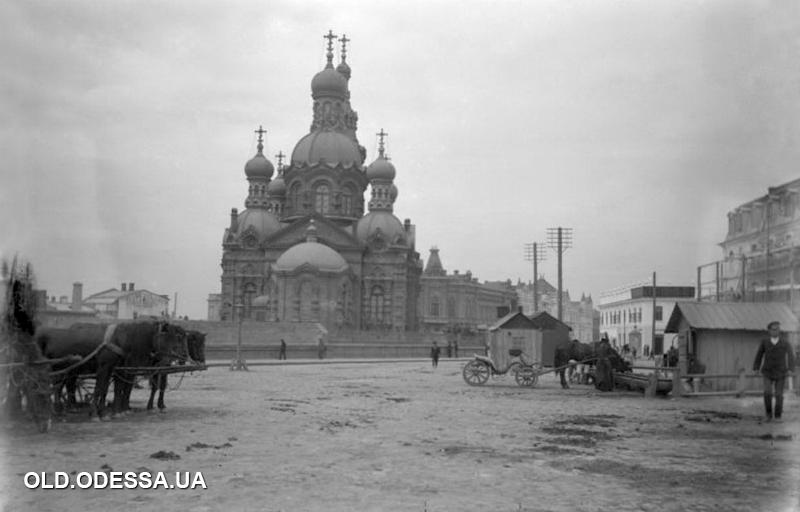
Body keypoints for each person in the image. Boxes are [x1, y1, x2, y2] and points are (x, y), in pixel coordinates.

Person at [753, 321, 795, 422]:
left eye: (778, 329)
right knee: (767, 392)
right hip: (767, 371)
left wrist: (790, 369)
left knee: (779, 395)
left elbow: (790, 355)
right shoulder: (765, 342)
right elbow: (759, 354)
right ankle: (768, 415)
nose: (776, 331)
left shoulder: (785, 342)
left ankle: (778, 416)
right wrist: (756, 368)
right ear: (769, 331)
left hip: (780, 372)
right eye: (774, 329)